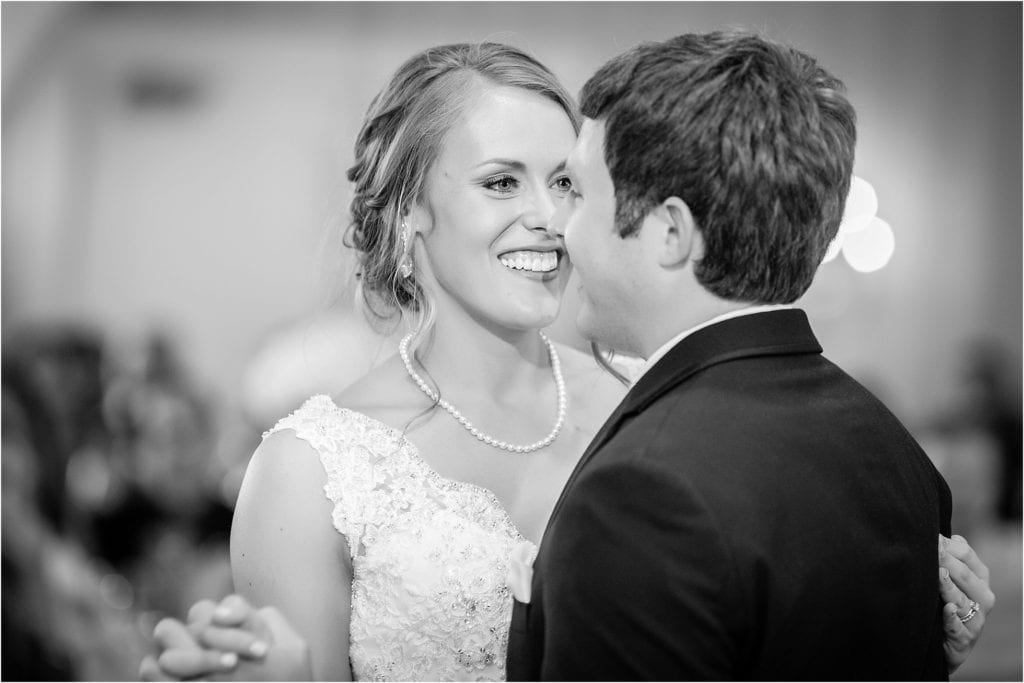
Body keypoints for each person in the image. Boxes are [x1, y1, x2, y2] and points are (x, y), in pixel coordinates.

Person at [141, 39, 993, 682]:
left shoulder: (662, 412)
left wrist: (899, 620)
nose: (547, 218)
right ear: (409, 215)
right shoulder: (309, 470)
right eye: (502, 183)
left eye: (568, 183)